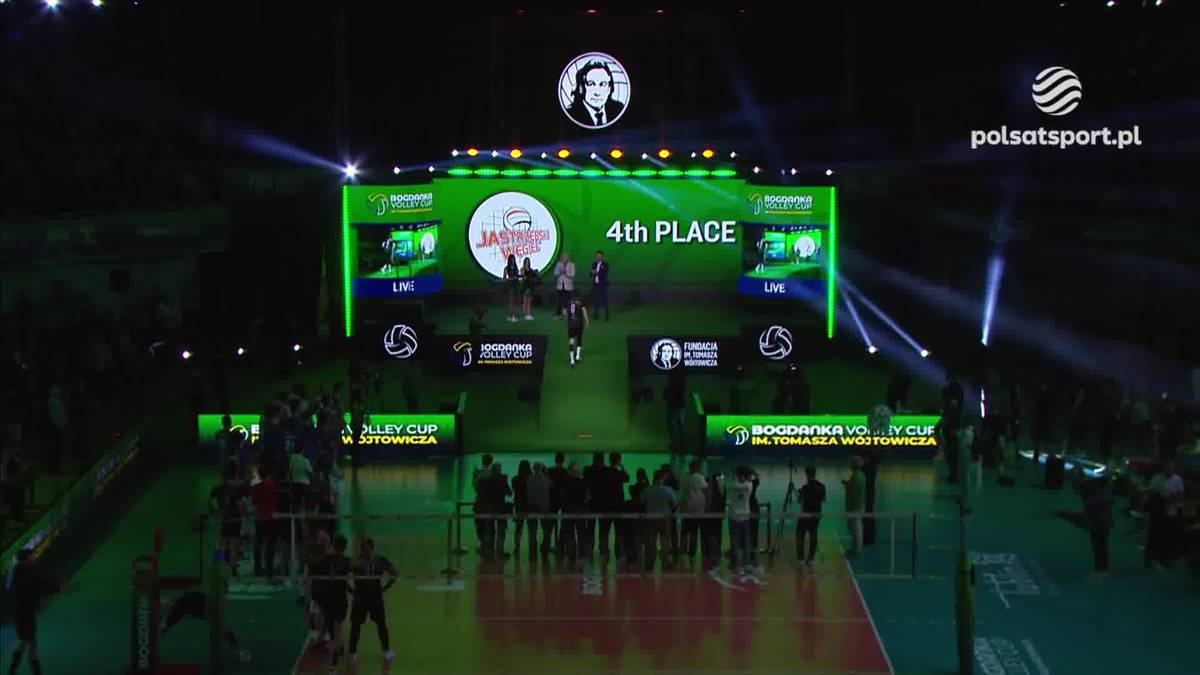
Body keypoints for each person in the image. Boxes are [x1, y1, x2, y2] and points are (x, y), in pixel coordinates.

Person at [7, 549, 73, 675]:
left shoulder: (22, 571)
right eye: (32, 555)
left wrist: (56, 587)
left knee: (26, 641)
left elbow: (39, 584)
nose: (34, 557)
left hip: (24, 612)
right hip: (24, 612)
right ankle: (22, 671)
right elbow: (37, 586)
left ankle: (17, 671)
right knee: (27, 642)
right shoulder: (23, 572)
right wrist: (58, 588)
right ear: (26, 558)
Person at [348, 537, 398, 665]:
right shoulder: (356, 562)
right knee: (356, 625)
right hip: (361, 599)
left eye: (367, 549)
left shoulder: (379, 560)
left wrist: (385, 588)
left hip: (374, 598)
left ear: (372, 548)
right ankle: (352, 652)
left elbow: (395, 573)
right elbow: (342, 575)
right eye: (363, 549)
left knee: (381, 624)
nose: (365, 551)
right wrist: (351, 590)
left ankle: (386, 650)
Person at [311, 534, 353, 672]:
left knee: (334, 631)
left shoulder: (325, 559)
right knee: (337, 630)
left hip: (328, 599)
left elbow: (314, 569)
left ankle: (335, 660)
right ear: (345, 547)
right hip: (338, 600)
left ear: (334, 545)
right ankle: (335, 661)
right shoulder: (347, 562)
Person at [565, 59, 625, 128]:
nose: (597, 93)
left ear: (609, 89)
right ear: (581, 88)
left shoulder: (618, 109)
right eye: (591, 84)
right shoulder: (571, 114)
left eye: (603, 84)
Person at [209, 466, 247, 575]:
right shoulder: (237, 489)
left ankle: (217, 569)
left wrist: (215, 512)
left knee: (219, 544)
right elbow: (241, 505)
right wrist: (243, 513)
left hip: (222, 520)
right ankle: (233, 568)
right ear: (235, 477)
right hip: (234, 520)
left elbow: (209, 502)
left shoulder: (217, 488)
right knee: (234, 545)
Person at [641, 469, 678, 571]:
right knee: (665, 543)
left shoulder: (647, 490)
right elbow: (675, 504)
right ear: (663, 478)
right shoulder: (668, 490)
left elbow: (642, 503)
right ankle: (665, 563)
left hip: (650, 519)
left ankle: (649, 564)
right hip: (664, 519)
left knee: (651, 543)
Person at [250, 463, 278, 579]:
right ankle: (269, 569)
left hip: (260, 518)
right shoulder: (273, 487)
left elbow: (254, 502)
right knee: (270, 546)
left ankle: (257, 568)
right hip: (272, 518)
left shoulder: (256, 488)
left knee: (258, 544)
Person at [1083, 477, 1114, 578]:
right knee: (1102, 547)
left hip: (1097, 524)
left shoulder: (1097, 496)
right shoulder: (1107, 494)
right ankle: (1104, 569)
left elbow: (1089, 507)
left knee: (1098, 547)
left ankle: (1099, 570)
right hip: (1105, 523)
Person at [559, 462, 589, 564]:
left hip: (568, 509)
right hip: (581, 509)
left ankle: (571, 554)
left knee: (569, 533)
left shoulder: (565, 482)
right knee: (581, 533)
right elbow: (587, 496)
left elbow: (562, 495)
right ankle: (581, 554)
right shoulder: (583, 482)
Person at [797, 466, 826, 565]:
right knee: (813, 535)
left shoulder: (805, 487)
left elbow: (799, 500)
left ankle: (800, 558)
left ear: (807, 474)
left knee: (800, 534)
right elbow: (823, 499)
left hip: (805, 515)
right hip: (816, 514)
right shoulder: (822, 486)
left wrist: (801, 493)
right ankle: (811, 558)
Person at [728, 467, 755, 573]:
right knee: (744, 541)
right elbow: (747, 482)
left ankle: (737, 564)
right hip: (743, 516)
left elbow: (733, 485)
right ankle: (744, 563)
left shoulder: (733, 484)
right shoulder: (749, 485)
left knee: (737, 541)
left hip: (736, 516)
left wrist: (734, 476)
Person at [525, 462, 553, 560]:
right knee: (546, 530)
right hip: (544, 508)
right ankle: (545, 546)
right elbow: (551, 485)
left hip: (531, 507)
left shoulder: (529, 478)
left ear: (533, 469)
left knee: (532, 530)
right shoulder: (546, 479)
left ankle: (532, 548)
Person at [681, 460, 707, 562]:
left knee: (687, 532)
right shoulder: (699, 477)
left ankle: (685, 553)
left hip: (687, 509)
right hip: (699, 510)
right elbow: (705, 489)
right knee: (696, 533)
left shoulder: (685, 477)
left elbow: (683, 493)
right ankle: (695, 554)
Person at [843, 456, 866, 557]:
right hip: (856, 506)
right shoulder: (859, 475)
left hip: (855, 507)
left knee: (856, 529)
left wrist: (846, 486)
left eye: (851, 463)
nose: (850, 465)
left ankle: (856, 550)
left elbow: (852, 491)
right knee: (854, 529)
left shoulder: (857, 476)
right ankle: (855, 548)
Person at [546, 452, 568, 555]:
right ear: (563, 460)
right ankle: (561, 545)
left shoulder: (550, 471)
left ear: (555, 459)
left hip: (552, 500)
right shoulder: (566, 471)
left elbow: (549, 484)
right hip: (563, 500)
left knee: (550, 524)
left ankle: (546, 545)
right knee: (563, 525)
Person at [512, 460, 533, 559]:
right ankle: (532, 549)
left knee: (518, 529)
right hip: (530, 507)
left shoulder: (515, 479)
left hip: (519, 507)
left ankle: (517, 548)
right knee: (531, 530)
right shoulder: (531, 479)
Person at [665, 370, 687, 453]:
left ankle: (674, 445)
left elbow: (666, 395)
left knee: (672, 427)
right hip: (680, 407)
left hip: (673, 407)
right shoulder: (681, 384)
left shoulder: (671, 386)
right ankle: (681, 446)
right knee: (680, 427)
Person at [565, 293, 589, 368]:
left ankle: (572, 360)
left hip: (571, 324)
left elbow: (565, 313)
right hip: (579, 323)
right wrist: (587, 321)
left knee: (571, 340)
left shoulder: (568, 302)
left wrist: (568, 320)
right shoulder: (581, 301)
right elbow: (584, 311)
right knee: (579, 338)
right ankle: (578, 356)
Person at [590, 250, 610, 321]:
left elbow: (604, 273)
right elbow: (591, 273)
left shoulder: (605, 264)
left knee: (605, 300)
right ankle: (596, 315)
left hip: (602, 285)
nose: (598, 257)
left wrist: (596, 272)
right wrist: (591, 273)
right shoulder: (594, 264)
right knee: (596, 300)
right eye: (597, 256)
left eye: (599, 256)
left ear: (602, 257)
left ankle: (607, 316)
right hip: (595, 285)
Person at [553, 253, 575, 318]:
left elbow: (573, 274)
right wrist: (559, 272)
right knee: (559, 301)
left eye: (565, 257)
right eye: (563, 257)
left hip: (568, 286)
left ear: (568, 258)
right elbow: (555, 273)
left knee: (568, 300)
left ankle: (568, 314)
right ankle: (558, 314)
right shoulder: (558, 264)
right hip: (560, 285)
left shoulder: (571, 265)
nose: (564, 259)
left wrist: (566, 273)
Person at [503, 254, 521, 323]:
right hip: (510, 285)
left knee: (516, 301)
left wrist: (518, 277)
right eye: (511, 259)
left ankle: (514, 315)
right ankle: (511, 316)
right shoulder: (506, 268)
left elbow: (518, 275)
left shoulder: (516, 267)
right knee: (511, 301)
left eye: (514, 259)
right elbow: (504, 278)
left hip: (516, 284)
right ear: (509, 260)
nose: (513, 261)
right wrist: (509, 278)